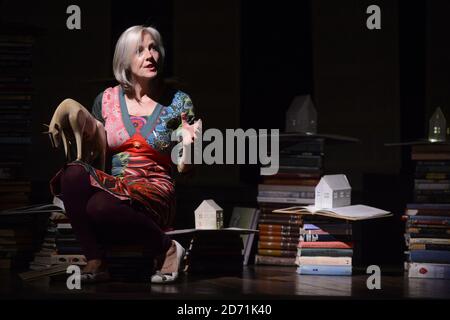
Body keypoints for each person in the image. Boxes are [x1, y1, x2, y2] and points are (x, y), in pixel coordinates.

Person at [49, 25, 201, 284]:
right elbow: (94, 155)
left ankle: (168, 248)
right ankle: (96, 260)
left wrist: (190, 144)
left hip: (155, 190)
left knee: (100, 206)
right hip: (116, 186)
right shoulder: (106, 99)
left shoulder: (178, 101)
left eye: (153, 48)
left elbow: (186, 169)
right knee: (72, 173)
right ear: (124, 60)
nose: (150, 55)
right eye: (139, 51)